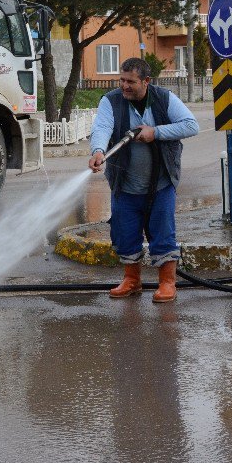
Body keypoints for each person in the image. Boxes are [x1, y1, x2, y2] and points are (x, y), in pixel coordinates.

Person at [88, 57, 199, 302]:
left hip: (160, 184)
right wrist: (98, 151)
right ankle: (132, 280)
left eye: (130, 81)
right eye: (122, 80)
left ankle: (168, 283)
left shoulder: (163, 98)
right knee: (125, 232)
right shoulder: (111, 101)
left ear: (146, 81)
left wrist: (155, 132)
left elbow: (191, 125)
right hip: (125, 185)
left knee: (163, 232)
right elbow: (102, 128)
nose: (124, 86)